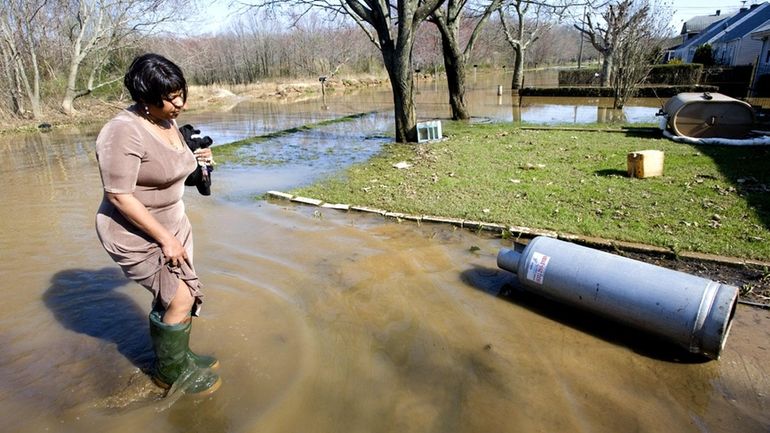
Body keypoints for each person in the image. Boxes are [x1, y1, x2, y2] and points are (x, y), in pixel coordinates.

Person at [95, 53, 220, 396]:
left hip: (173, 224)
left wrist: (199, 164)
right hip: (134, 231)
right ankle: (168, 374)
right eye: (169, 98)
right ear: (144, 98)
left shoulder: (167, 122)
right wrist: (165, 239)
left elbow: (173, 173)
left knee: (179, 295)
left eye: (182, 93)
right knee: (181, 297)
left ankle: (179, 356)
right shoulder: (122, 132)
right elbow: (119, 195)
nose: (179, 103)